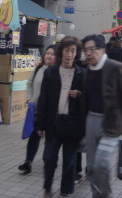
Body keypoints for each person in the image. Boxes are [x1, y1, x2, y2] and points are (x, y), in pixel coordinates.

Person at [82, 34, 122, 198]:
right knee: (92, 165)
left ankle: (104, 194)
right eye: (86, 50)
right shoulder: (87, 70)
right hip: (91, 121)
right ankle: (97, 194)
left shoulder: (115, 67)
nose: (89, 53)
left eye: (92, 49)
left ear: (102, 50)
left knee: (101, 163)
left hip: (112, 123)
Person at [35, 37, 85, 198]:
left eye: (73, 51)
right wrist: (40, 124)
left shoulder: (81, 73)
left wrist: (80, 95)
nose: (69, 54)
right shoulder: (51, 72)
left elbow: (89, 100)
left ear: (76, 53)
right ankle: (47, 187)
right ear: (61, 52)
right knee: (49, 158)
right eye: (67, 50)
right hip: (54, 122)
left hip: (72, 124)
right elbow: (43, 99)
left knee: (69, 161)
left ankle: (66, 190)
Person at [18, 44, 57, 174]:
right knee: (34, 135)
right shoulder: (39, 68)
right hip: (36, 109)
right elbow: (29, 83)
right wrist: (30, 98)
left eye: (53, 54)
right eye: (48, 53)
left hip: (51, 111)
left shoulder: (58, 71)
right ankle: (28, 162)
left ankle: (49, 160)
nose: (49, 56)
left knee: (50, 137)